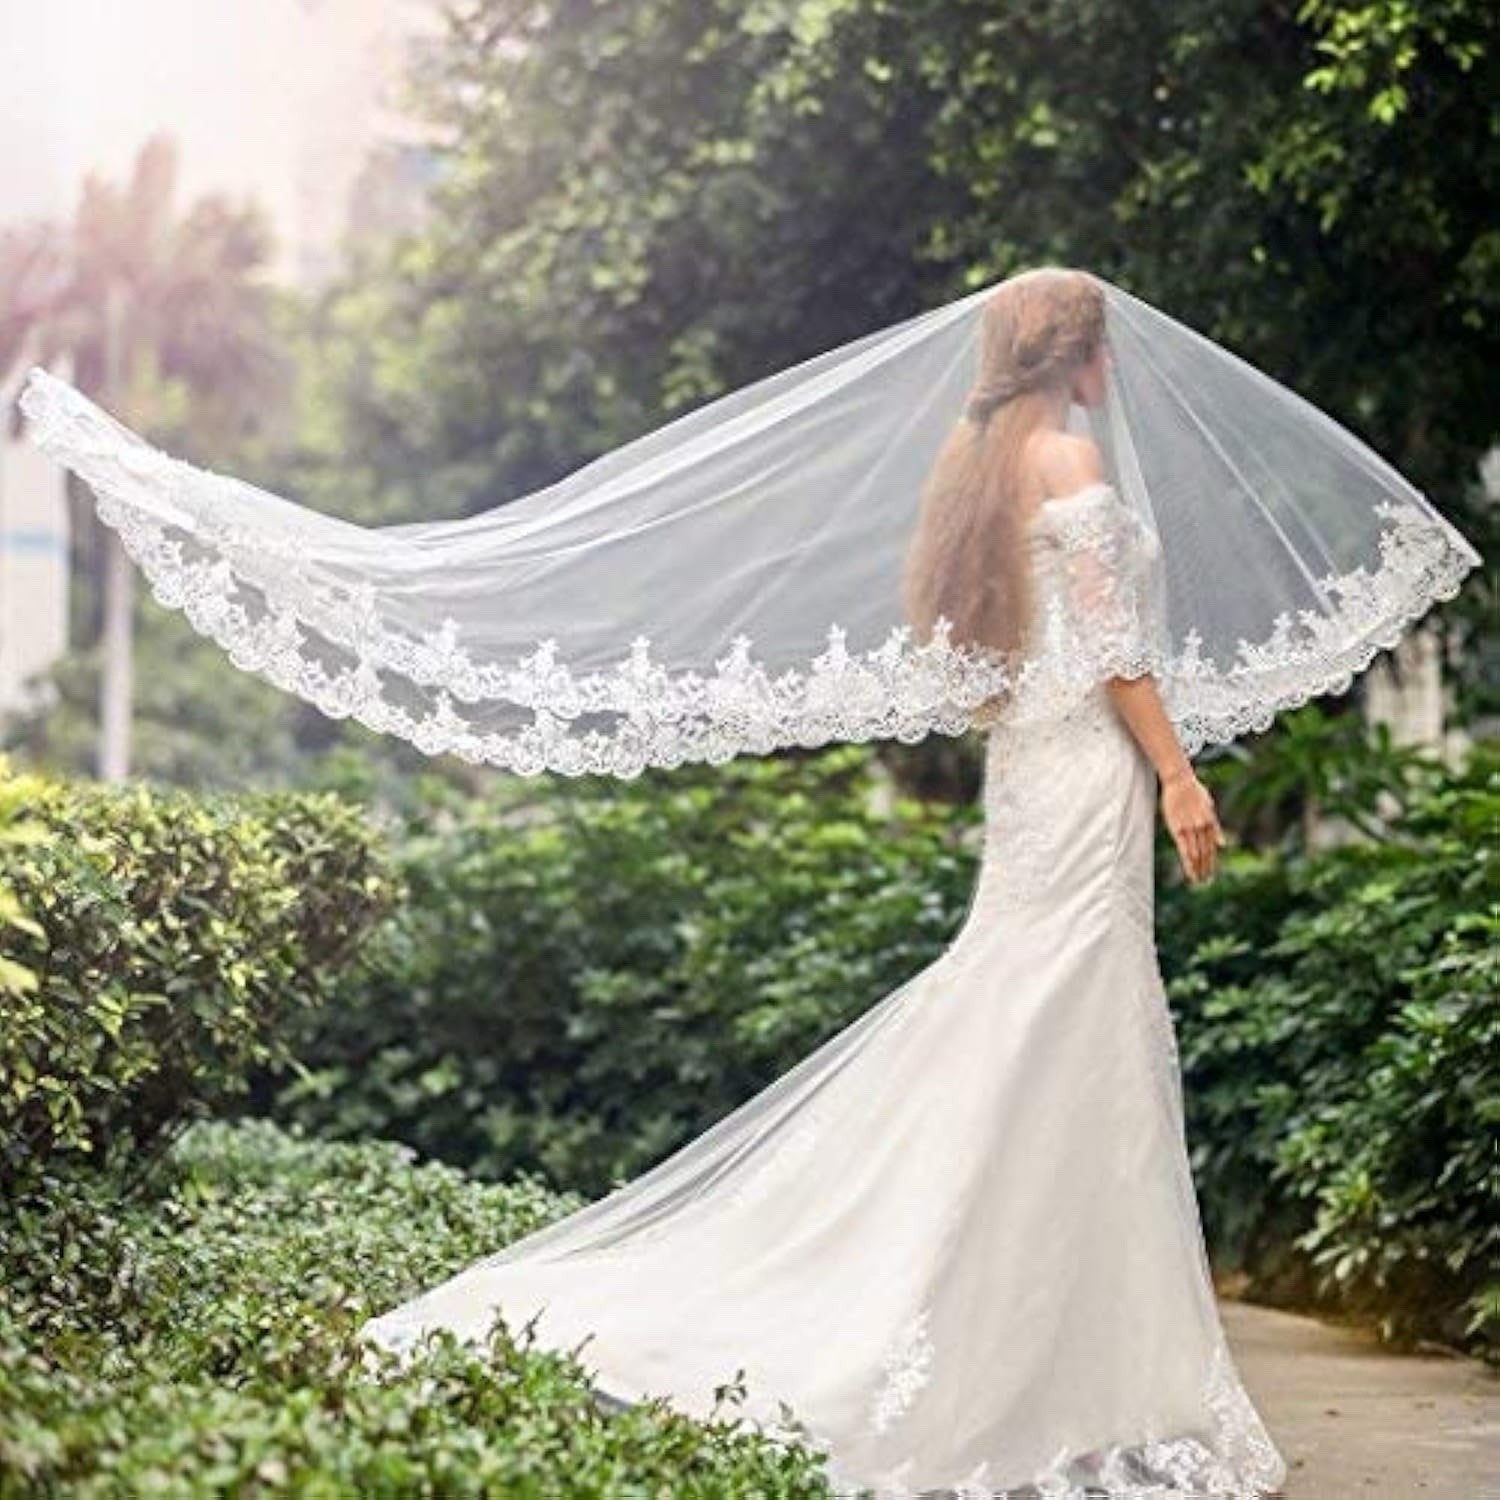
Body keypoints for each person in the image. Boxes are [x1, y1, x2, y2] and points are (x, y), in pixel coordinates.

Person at [360, 270, 1289, 1498]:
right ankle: (1047, 1363)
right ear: (1073, 351)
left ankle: (1059, 1361)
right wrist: (1179, 776)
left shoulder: (978, 468)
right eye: (1101, 343)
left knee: (1028, 1015)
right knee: (1065, 1019)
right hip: (1087, 771)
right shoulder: (1065, 459)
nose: (1113, 363)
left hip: (1033, 767)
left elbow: (1004, 648)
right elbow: (1118, 650)